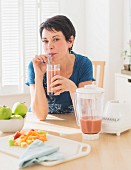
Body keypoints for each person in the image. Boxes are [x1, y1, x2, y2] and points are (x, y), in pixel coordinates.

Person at [26, 15, 94, 120]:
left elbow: (85, 113)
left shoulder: (83, 64)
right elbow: (40, 116)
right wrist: (39, 76)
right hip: (44, 123)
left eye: (56, 39)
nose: (49, 46)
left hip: (71, 121)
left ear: (70, 41)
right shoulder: (35, 65)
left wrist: (72, 88)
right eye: (45, 41)